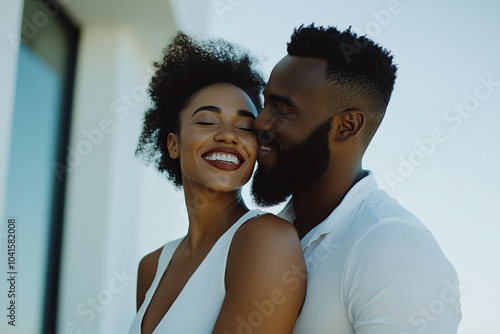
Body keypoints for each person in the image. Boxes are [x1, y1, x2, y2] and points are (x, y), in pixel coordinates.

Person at [251, 24, 462, 333]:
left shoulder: (395, 251)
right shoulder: (267, 234)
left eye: (283, 110)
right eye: (266, 102)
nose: (260, 121)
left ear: (347, 126)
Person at [128, 32, 306, 334]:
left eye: (246, 127)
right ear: (173, 144)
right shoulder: (151, 267)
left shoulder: (267, 239)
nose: (228, 135)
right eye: (208, 122)